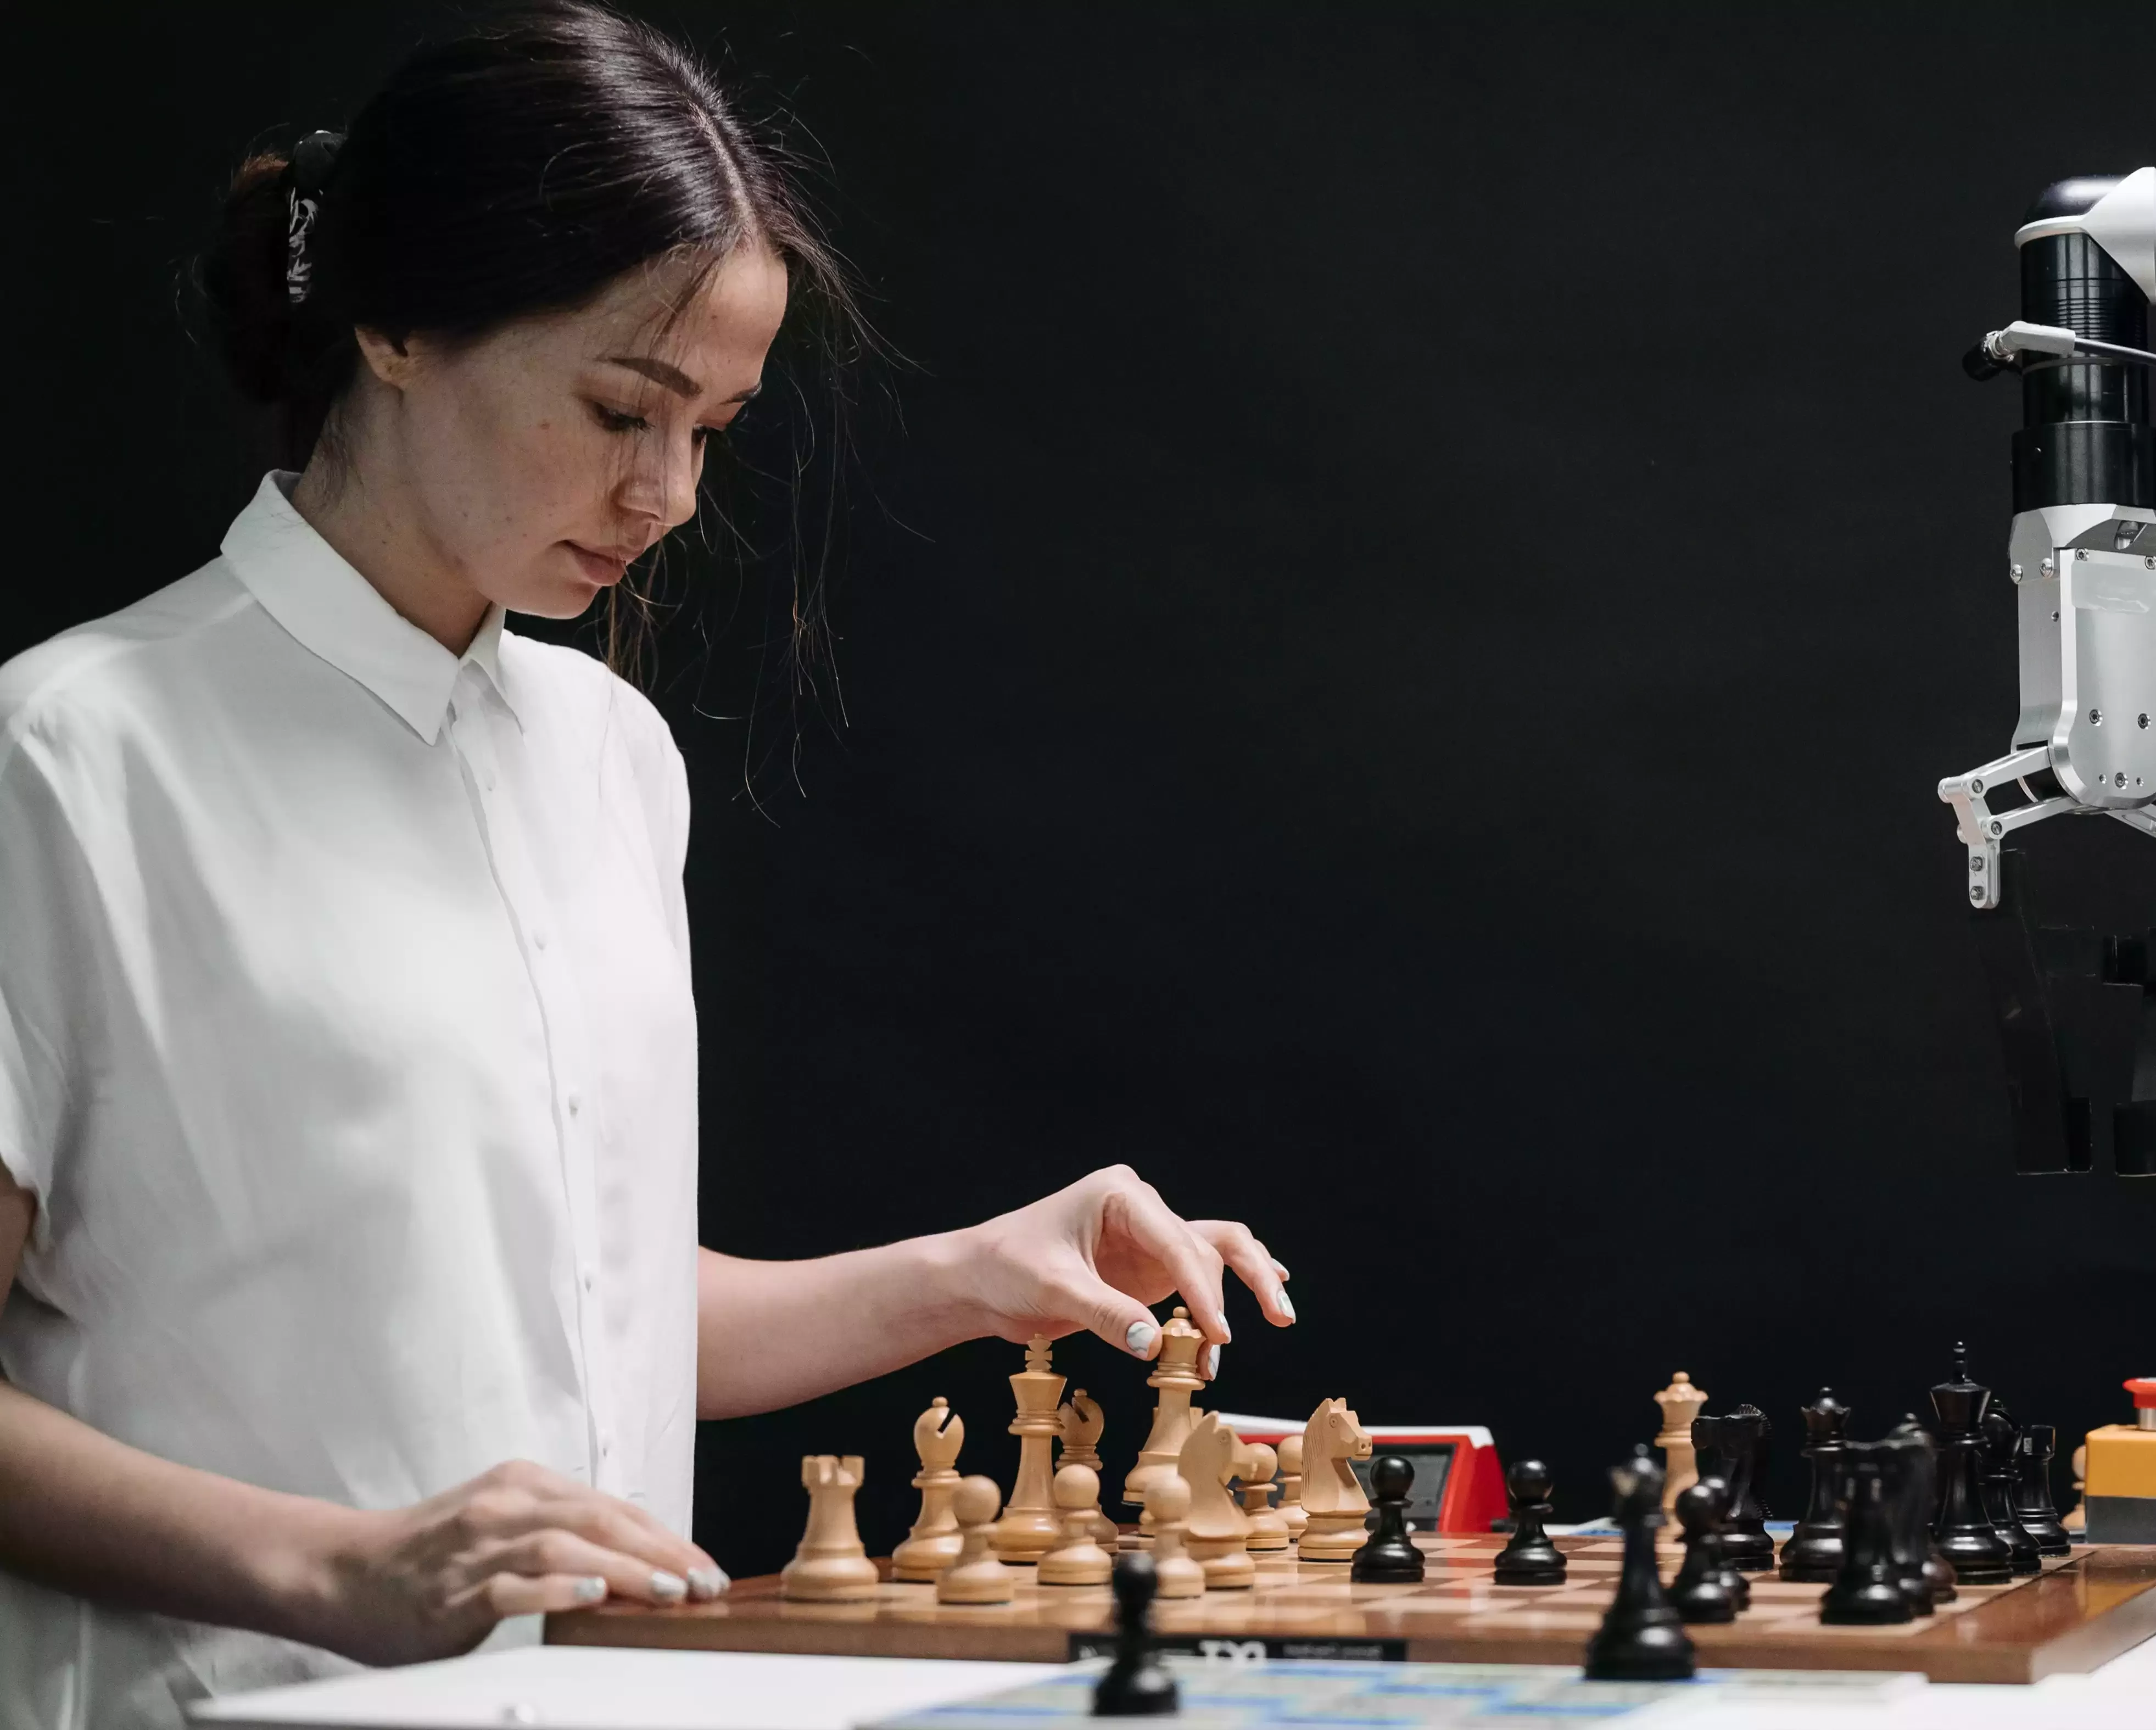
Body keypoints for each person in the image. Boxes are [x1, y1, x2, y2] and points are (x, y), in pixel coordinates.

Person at [0, 8, 1288, 1725]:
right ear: (392, 320)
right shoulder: (71, 755)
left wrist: (976, 1271)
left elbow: (577, 1290)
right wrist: (332, 1564)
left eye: (716, 429)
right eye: (624, 406)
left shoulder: (608, 756)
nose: (668, 492)